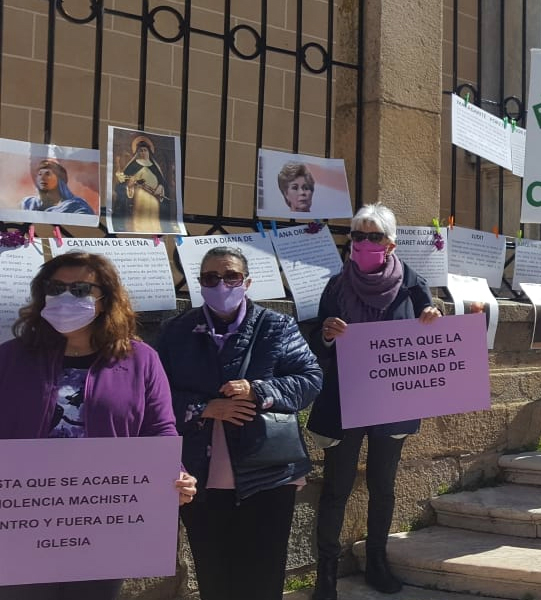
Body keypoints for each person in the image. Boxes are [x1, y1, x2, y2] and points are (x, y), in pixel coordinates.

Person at [0, 252, 197, 600]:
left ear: (105, 299)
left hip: (104, 518)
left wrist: (175, 474)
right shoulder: (10, 357)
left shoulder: (141, 359)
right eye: (55, 288)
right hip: (25, 518)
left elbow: (160, 427)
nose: (65, 297)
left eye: (79, 289)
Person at [157, 246, 323, 600]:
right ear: (198, 285)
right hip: (201, 475)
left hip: (268, 472)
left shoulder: (275, 325)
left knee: (263, 575)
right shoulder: (176, 331)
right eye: (210, 277)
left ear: (246, 282)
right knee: (214, 573)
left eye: (230, 276)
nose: (221, 283)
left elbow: (310, 380)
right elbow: (154, 395)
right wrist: (205, 407)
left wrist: (259, 390)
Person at [306, 203, 441, 599]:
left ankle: (378, 563)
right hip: (344, 402)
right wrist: (328, 334)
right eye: (358, 236)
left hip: (392, 402)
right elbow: (316, 342)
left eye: (374, 236)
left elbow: (430, 334)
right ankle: (325, 576)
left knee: (384, 485)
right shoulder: (336, 285)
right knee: (336, 487)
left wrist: (433, 318)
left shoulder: (413, 285)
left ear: (391, 244)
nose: (364, 243)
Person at [113, 136, 170, 233]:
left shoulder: (154, 167)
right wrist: (131, 183)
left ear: (149, 152)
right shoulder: (134, 165)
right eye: (141, 151)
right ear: (137, 153)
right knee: (142, 203)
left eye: (145, 150)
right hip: (139, 194)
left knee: (154, 208)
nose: (143, 152)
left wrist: (160, 187)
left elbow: (162, 182)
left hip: (154, 195)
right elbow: (123, 182)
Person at [20, 158, 95, 215]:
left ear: (60, 179)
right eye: (39, 174)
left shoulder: (76, 206)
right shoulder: (29, 203)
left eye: (47, 174)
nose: (42, 178)